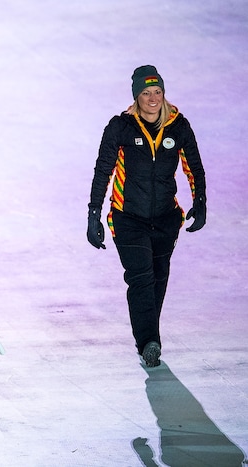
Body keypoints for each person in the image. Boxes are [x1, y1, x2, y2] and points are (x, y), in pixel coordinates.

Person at [87, 65, 206, 368]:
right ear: (136, 96)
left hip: (166, 218)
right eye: (145, 93)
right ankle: (149, 342)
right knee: (140, 278)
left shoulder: (179, 126)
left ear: (163, 93)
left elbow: (194, 166)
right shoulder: (121, 127)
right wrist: (94, 214)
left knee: (159, 278)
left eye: (157, 92)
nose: (152, 98)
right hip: (128, 218)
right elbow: (103, 171)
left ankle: (148, 334)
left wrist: (200, 202)